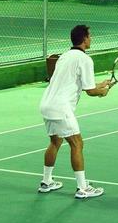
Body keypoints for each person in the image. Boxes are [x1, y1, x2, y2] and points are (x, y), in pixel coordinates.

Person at [38, 25, 112, 198]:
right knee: (77, 143)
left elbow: (84, 84)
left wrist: (101, 84)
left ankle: (46, 182)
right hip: (61, 107)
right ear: (84, 39)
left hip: (46, 104)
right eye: (90, 36)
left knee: (55, 142)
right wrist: (102, 92)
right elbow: (91, 91)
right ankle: (82, 188)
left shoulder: (64, 56)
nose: (91, 38)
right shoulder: (85, 60)